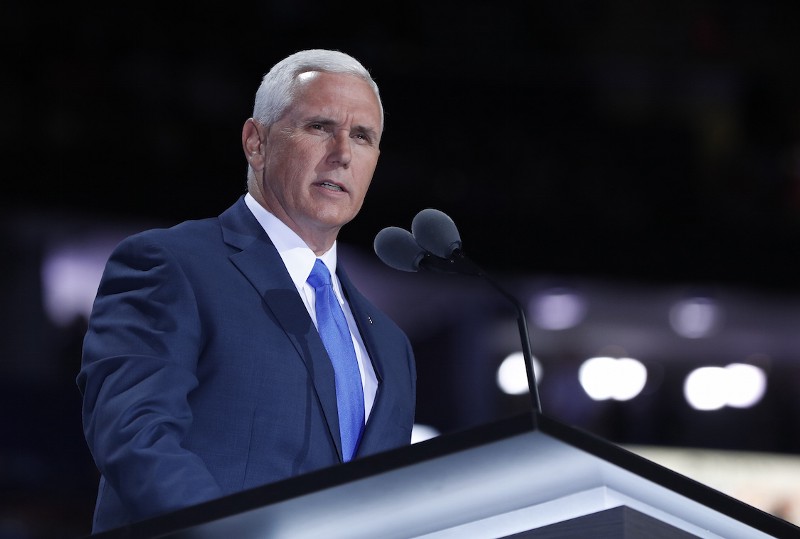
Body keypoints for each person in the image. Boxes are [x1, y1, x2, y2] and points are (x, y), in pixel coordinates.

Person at [77, 49, 417, 533]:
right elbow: (135, 434)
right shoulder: (173, 265)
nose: (343, 153)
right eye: (320, 126)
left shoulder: (391, 347)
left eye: (362, 136)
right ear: (256, 142)